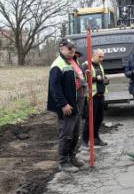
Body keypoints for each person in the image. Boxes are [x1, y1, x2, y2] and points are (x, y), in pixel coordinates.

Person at [47, 38, 86, 173]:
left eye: (73, 47)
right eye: (69, 48)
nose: (72, 50)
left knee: (75, 133)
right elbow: (55, 88)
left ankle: (71, 157)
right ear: (61, 49)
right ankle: (63, 162)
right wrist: (64, 104)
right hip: (67, 106)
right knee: (66, 134)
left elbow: (77, 78)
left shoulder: (72, 61)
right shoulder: (57, 65)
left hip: (76, 103)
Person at [82, 49, 109, 146]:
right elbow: (83, 79)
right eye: (100, 56)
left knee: (99, 118)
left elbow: (102, 77)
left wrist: (105, 79)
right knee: (90, 119)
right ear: (94, 55)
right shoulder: (86, 65)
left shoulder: (100, 65)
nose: (102, 59)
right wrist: (95, 78)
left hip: (101, 95)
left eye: (102, 57)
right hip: (91, 96)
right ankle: (85, 140)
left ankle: (96, 138)